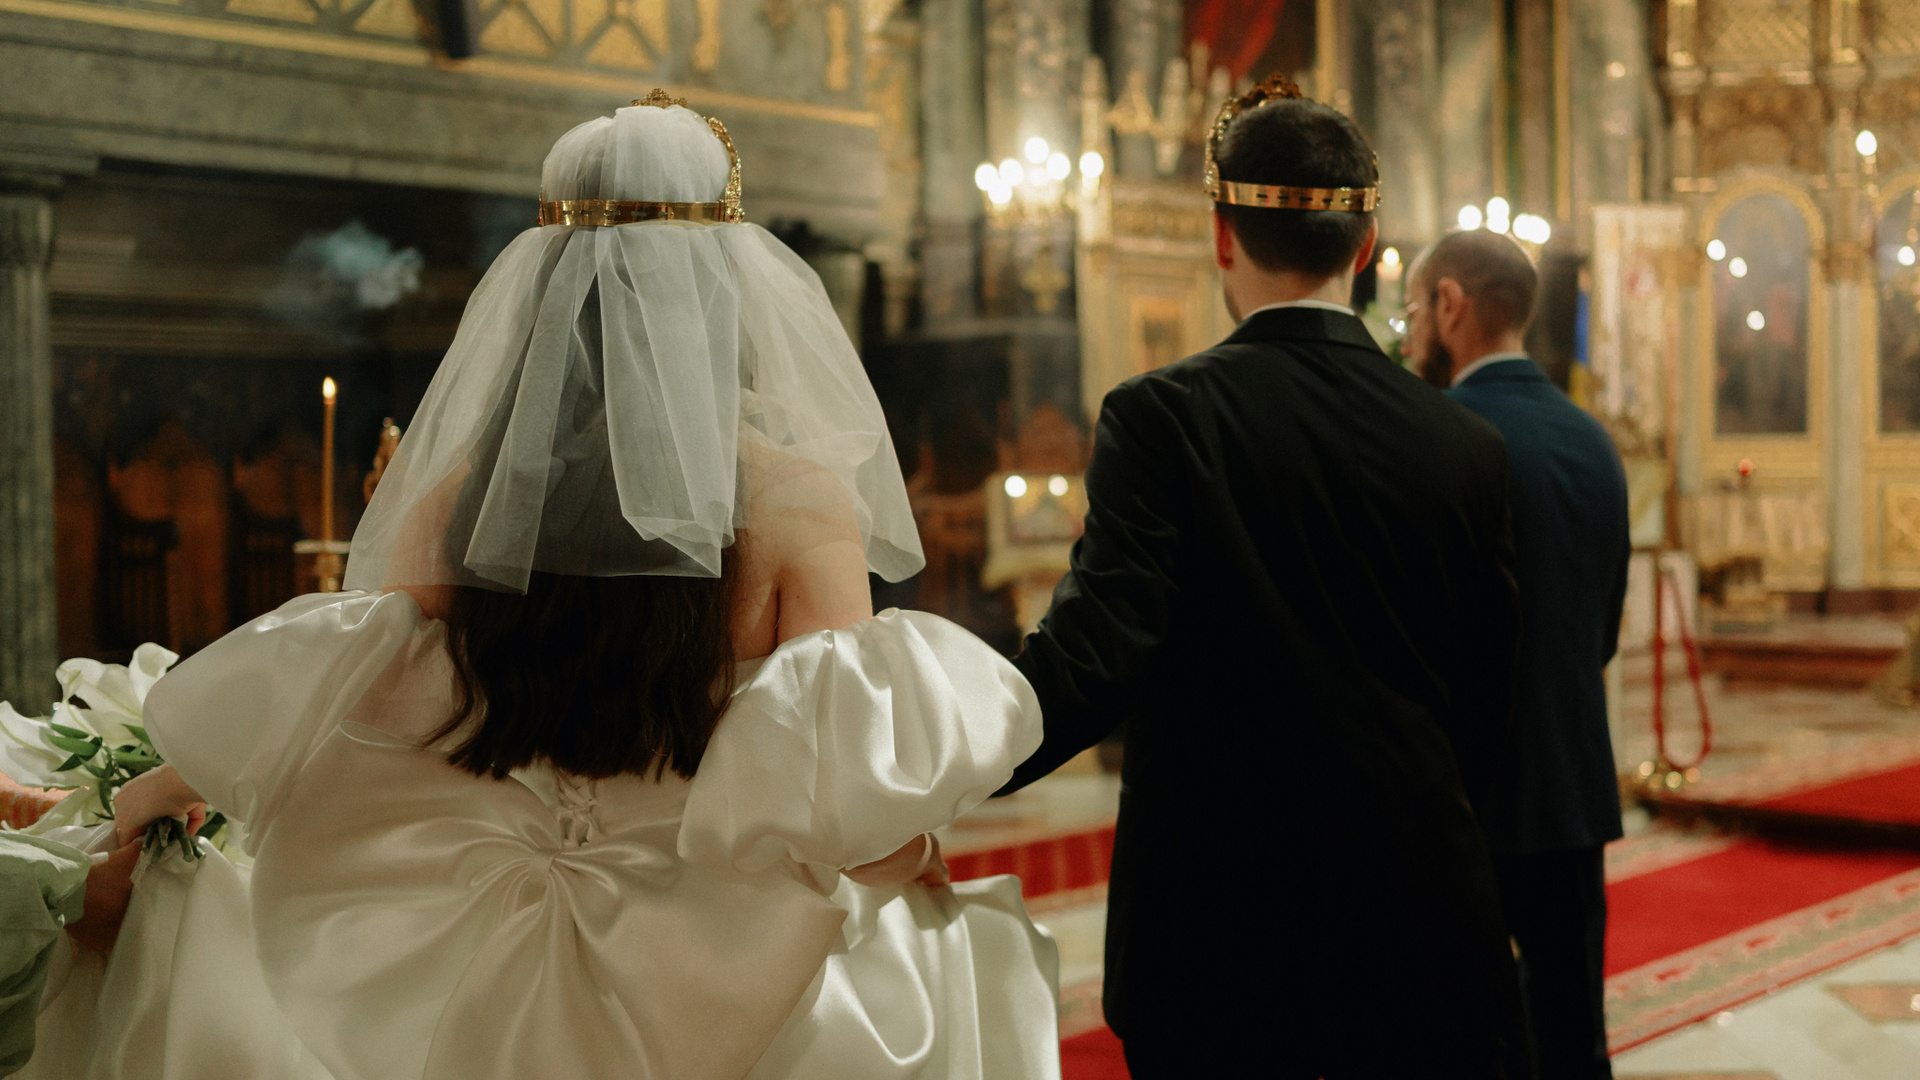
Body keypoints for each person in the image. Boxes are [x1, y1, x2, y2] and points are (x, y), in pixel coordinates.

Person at [23, 95, 1062, 1080]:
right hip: (725, 964)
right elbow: (848, 808)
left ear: (547, 299)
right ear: (721, 296)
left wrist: (163, 787)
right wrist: (914, 851)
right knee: (954, 955)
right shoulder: (796, 507)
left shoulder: (462, 500)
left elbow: (336, 698)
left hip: (484, 936)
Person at [995, 75, 1532, 1078]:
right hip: (1420, 924)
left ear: (1220, 236)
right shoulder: (1467, 444)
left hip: (1217, 935)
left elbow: (1093, 662)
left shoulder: (1161, 417)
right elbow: (1487, 697)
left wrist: (935, 766)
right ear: (1367, 248)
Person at [1404, 229, 1630, 1080]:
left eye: (1413, 311)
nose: (1410, 332)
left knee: (1458, 1041)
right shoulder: (1592, 439)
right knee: (1573, 1037)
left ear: (1450, 306)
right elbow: (1602, 633)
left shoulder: (1436, 434)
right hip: (1571, 791)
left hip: (1462, 799)